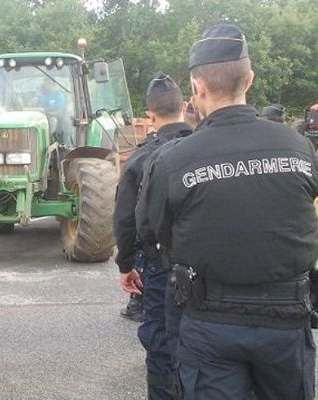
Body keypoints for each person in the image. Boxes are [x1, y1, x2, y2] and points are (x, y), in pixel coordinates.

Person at [136, 25, 318, 400]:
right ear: (249, 80)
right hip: (286, 321)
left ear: (197, 88)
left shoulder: (172, 160)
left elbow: (151, 231)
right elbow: (307, 197)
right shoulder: (299, 147)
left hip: (210, 324)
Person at [115, 72, 192, 399]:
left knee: (161, 342)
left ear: (149, 115)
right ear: (186, 106)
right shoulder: (205, 148)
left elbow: (125, 217)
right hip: (205, 263)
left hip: (159, 263)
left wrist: (126, 265)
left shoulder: (141, 158)